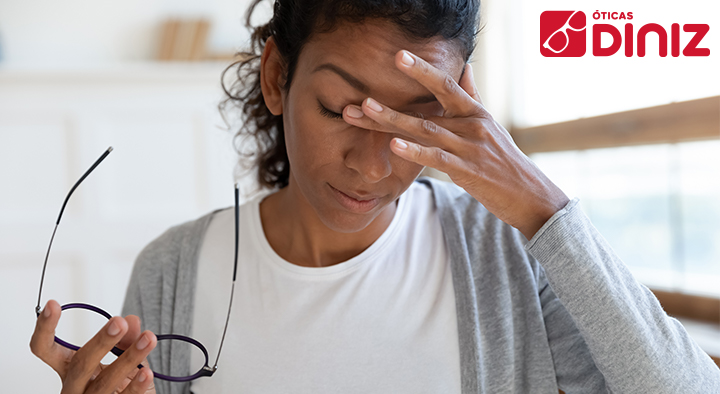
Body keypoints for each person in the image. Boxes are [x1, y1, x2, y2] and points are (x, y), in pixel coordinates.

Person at [30, 0, 720, 393]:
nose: (369, 167)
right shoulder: (173, 269)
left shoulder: (509, 255)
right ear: (276, 77)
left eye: (414, 120)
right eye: (337, 110)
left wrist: (544, 209)